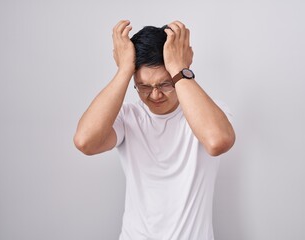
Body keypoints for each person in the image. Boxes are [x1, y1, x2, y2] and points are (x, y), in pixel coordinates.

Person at [74, 19, 236, 240]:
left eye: (165, 84)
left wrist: (180, 69)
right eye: (144, 87)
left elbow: (217, 141)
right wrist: (124, 70)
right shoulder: (128, 117)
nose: (156, 95)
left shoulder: (209, 112)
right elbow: (85, 142)